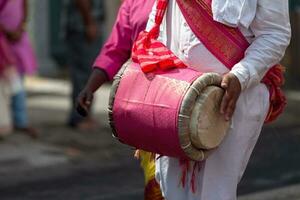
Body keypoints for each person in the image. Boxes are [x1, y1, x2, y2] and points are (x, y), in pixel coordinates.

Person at [79, 0, 291, 199]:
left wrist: (241, 76)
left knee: (215, 193)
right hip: (174, 98)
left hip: (232, 101)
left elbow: (276, 34)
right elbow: (156, 28)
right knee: (171, 190)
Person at [76, 0, 163, 199]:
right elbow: (115, 49)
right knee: (157, 183)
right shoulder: (133, 3)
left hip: (190, 103)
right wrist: (90, 88)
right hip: (148, 106)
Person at [63, 0, 105, 129]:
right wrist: (89, 23)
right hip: (81, 28)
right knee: (84, 74)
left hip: (84, 26)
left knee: (85, 73)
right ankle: (79, 118)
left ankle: (83, 116)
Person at [0, 0, 38, 138]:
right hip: (3, 41)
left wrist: (20, 28)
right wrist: (7, 31)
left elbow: (25, 5)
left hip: (17, 39)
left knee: (18, 82)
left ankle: (20, 120)